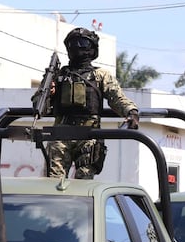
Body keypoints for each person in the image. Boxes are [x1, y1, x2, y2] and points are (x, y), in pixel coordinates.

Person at [32, 27, 139, 179]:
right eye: (73, 43)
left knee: (84, 183)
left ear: (92, 48)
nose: (78, 47)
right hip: (61, 133)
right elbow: (39, 105)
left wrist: (131, 112)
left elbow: (117, 98)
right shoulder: (58, 75)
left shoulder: (100, 75)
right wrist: (49, 92)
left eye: (83, 43)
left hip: (89, 134)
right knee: (53, 183)